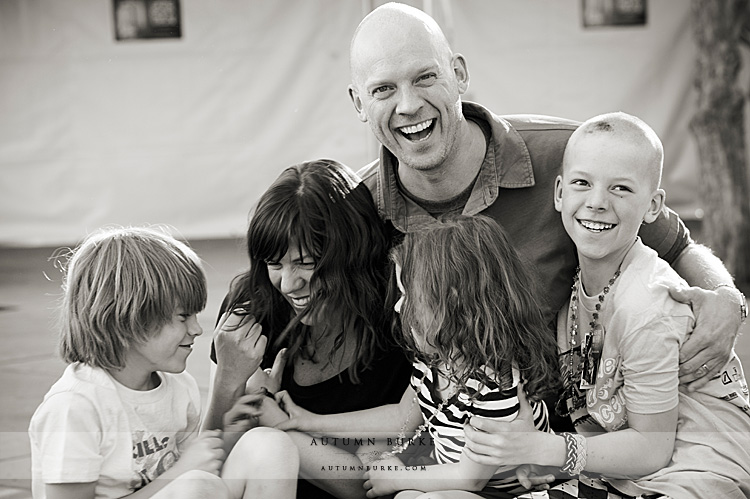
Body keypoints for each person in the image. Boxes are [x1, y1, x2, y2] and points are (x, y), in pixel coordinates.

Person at [347, 2, 746, 401]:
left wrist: (727, 299)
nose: (408, 104)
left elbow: (678, 247)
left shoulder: (569, 157)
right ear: (358, 103)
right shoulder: (353, 211)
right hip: (447, 442)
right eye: (383, 89)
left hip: (598, 433)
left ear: (458, 74)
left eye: (425, 77)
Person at [461, 113, 750, 498]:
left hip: (692, 477)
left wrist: (546, 449)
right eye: (583, 183)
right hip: (617, 477)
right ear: (560, 192)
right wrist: (543, 457)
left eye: (621, 189)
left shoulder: (647, 304)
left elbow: (652, 448)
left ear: (653, 206)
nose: (597, 202)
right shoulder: (576, 292)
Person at [275, 214, 560, 499]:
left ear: (453, 299)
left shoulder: (494, 387)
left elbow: (470, 478)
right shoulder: (435, 360)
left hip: (493, 490)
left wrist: (400, 476)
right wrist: (308, 421)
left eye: (409, 295)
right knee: (384, 469)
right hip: (447, 471)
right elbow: (401, 417)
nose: (398, 307)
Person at [29, 226, 299, 499]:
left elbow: (197, 468)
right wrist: (181, 473)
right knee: (196, 486)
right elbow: (187, 480)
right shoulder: (75, 406)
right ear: (127, 320)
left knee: (270, 444)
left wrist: (229, 432)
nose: (196, 329)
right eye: (183, 317)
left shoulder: (178, 387)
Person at [203, 159, 413, 499]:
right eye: (275, 264)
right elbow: (207, 465)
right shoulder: (253, 305)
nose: (288, 284)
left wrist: (274, 422)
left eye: (307, 264)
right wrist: (229, 380)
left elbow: (368, 484)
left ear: (353, 255)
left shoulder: (401, 320)